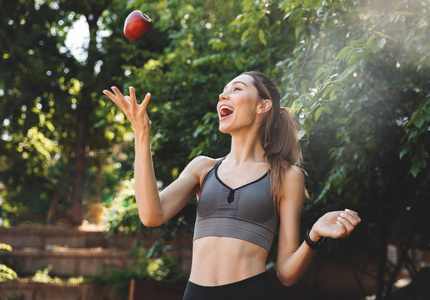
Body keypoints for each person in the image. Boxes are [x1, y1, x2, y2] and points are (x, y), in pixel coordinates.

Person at [103, 71, 361, 300]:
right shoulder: (203, 168)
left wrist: (313, 235)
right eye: (223, 92)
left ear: (263, 106)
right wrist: (141, 133)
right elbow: (151, 215)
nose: (223, 96)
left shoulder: (287, 175)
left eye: (236, 89)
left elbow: (285, 274)